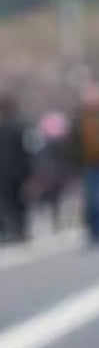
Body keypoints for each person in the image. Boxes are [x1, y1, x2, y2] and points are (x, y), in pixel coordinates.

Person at [69, 82, 99, 246]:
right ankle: (93, 231)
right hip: (88, 164)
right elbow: (73, 144)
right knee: (92, 199)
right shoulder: (80, 120)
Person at [0, 96, 28, 244]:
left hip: (4, 172)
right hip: (17, 171)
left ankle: (9, 231)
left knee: (6, 202)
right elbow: (26, 151)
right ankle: (19, 230)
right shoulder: (19, 127)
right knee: (18, 201)